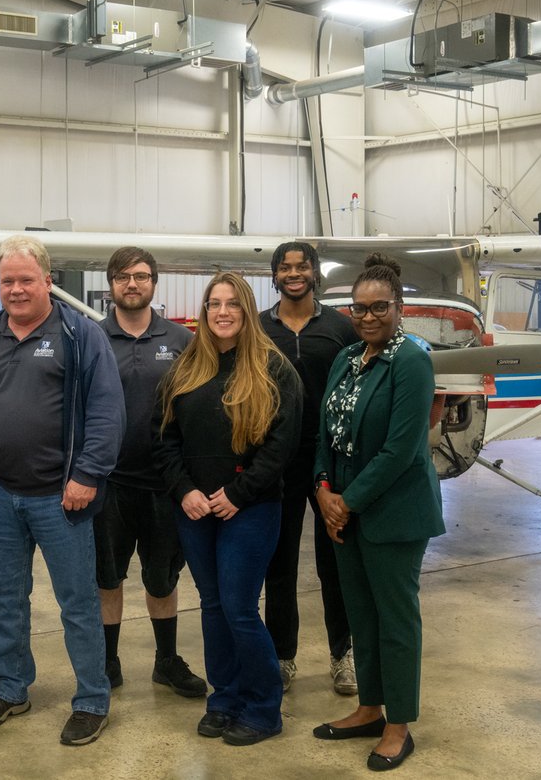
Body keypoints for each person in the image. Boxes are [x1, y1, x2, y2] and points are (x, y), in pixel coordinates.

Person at [0, 234, 125, 747]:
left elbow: (108, 412)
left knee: (77, 602)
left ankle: (91, 697)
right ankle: (12, 686)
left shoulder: (80, 334)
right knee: (3, 598)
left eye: (26, 279)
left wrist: (87, 474)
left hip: (62, 498)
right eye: (8, 282)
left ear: (48, 281)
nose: (17, 290)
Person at [153, 272, 301, 747]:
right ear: (204, 310)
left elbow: (282, 446)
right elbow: (165, 439)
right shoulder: (185, 368)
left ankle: (263, 707)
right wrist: (184, 491)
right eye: (213, 303)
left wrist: (239, 494)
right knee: (213, 606)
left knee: (239, 608)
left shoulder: (274, 370)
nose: (222, 312)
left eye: (232, 303)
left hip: (250, 508)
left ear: (246, 310)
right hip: (194, 508)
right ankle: (224, 699)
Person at [312, 253, 445, 772]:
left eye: (379, 308)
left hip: (393, 513)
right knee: (360, 615)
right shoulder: (348, 358)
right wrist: (323, 489)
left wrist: (346, 502)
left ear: (399, 307)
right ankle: (369, 708)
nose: (368, 317)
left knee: (395, 620)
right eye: (359, 308)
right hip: (344, 509)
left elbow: (402, 449)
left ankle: (398, 724)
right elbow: (327, 432)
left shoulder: (411, 360)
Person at [95, 246, 205, 697]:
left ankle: (166, 660)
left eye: (141, 276)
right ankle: (107, 660)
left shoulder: (181, 341)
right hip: (108, 483)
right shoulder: (92, 337)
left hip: (164, 484)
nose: (133, 284)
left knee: (162, 578)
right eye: (123, 276)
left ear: (154, 283)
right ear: (111, 285)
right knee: (107, 577)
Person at [259, 241, 359, 695]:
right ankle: (282, 657)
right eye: (285, 267)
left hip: (331, 461)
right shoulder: (258, 328)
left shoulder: (342, 327)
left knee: (335, 562)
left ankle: (344, 656)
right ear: (275, 274)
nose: (293, 273)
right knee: (278, 564)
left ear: (315, 273)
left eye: (302, 266)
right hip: (276, 461)